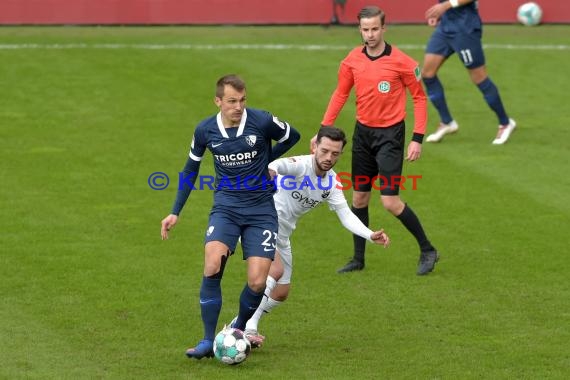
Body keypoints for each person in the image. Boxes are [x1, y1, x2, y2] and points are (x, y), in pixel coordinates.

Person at [160, 74, 300, 359]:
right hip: (226, 207)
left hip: (261, 210)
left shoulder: (260, 121)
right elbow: (190, 170)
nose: (238, 106)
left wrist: (268, 158)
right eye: (232, 101)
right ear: (218, 101)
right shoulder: (205, 130)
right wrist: (175, 212)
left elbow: (292, 136)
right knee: (212, 264)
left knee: (258, 283)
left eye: (242, 100)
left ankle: (237, 328)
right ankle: (207, 340)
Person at [313, 5, 439, 276]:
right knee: (359, 198)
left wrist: (417, 138)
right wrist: (324, 128)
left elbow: (419, 97)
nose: (369, 35)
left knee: (390, 201)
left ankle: (427, 249)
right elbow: (340, 94)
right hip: (363, 134)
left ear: (384, 28)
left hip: (391, 136)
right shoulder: (352, 60)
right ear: (360, 29)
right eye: (365, 29)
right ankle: (358, 259)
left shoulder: (404, 62)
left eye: (374, 29)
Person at [242, 126, 391, 346]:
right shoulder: (300, 165)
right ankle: (248, 329)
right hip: (258, 223)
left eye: (335, 153)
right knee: (275, 269)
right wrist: (271, 172)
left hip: (282, 234)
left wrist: (370, 235)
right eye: (324, 151)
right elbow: (277, 164)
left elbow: (346, 215)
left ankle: (238, 322)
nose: (328, 157)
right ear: (315, 147)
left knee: (281, 292)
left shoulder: (331, 183)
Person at [422, 0, 516, 144]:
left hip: (465, 29)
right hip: (445, 28)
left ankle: (505, 123)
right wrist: (440, 13)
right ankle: (447, 122)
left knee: (479, 78)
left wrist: (445, 6)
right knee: (427, 74)